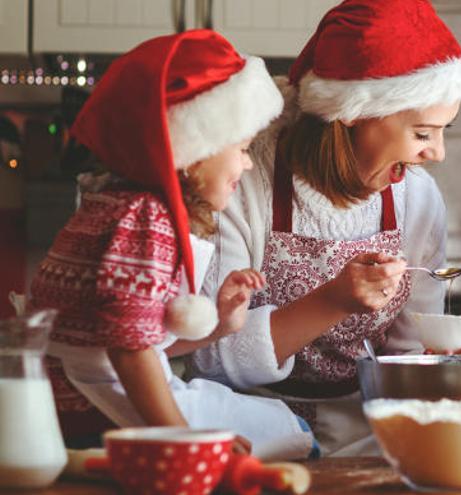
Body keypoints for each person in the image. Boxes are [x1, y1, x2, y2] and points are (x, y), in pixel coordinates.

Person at [187, 0, 461, 456]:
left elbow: (408, 351)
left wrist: (441, 365)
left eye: (444, 132)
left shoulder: (418, 199)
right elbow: (209, 355)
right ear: (354, 112)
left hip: (371, 433)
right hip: (248, 430)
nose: (437, 153)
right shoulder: (244, 182)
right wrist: (332, 301)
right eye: (423, 134)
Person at [28, 30, 316, 460]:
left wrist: (218, 324)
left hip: (82, 403)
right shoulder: (147, 218)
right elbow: (128, 350)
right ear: (195, 152)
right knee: (294, 433)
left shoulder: (119, 204)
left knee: (284, 429)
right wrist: (184, 441)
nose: (248, 161)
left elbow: (140, 337)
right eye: (240, 148)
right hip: (96, 410)